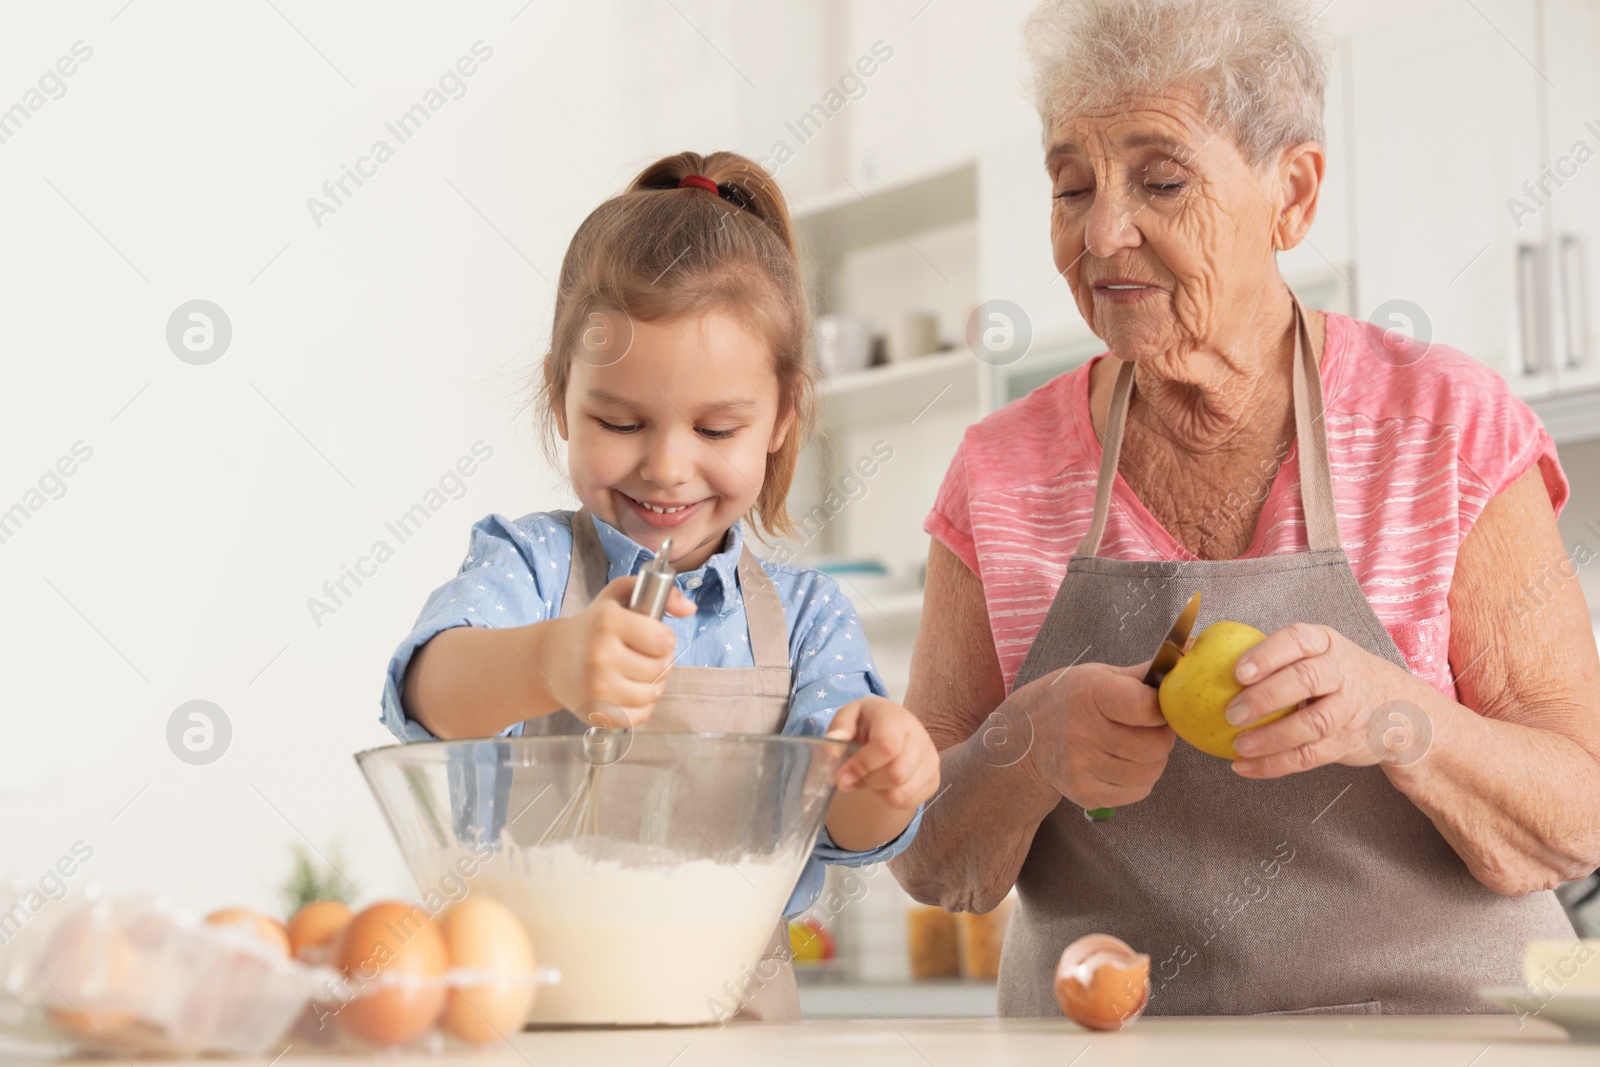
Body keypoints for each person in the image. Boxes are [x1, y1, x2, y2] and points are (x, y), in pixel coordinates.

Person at [889, 0, 1600, 1017]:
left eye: (1161, 179)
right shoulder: (998, 475)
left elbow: (1579, 810)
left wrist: (1392, 717)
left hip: (1451, 1037)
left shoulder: (1446, 426)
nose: (1100, 232)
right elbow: (924, 854)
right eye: (1070, 185)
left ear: (1292, 193)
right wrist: (1029, 742)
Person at [379, 150, 939, 1021]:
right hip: (533, 1010)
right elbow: (427, 693)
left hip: (737, 1019)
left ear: (784, 416)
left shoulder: (806, 619)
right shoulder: (528, 568)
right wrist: (548, 661)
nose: (667, 467)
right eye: (619, 420)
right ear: (560, 399)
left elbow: (843, 827)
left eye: (717, 427)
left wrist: (883, 764)